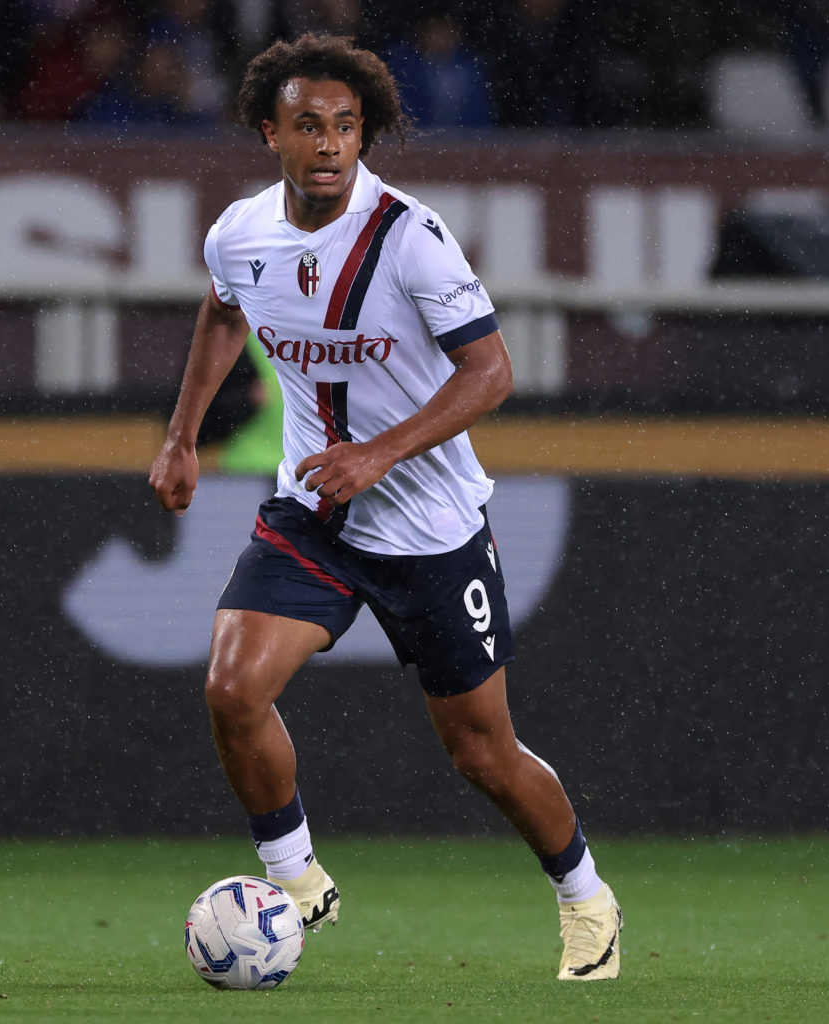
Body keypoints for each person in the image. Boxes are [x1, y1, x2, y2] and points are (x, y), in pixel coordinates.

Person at [147, 32, 622, 982]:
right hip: (314, 512)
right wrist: (182, 434)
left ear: (365, 137)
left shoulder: (409, 237)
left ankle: (586, 900)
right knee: (232, 691)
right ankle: (295, 875)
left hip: (429, 531)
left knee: (483, 755)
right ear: (269, 134)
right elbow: (222, 311)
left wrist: (377, 454)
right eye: (309, 126)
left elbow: (492, 374)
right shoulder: (239, 233)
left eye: (347, 127)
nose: (330, 144)